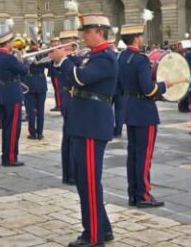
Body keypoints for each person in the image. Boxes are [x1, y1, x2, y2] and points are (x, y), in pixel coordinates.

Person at [66, 13, 117, 247]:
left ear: (99, 32)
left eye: (87, 32)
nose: (84, 36)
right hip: (84, 121)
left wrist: (63, 61)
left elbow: (80, 78)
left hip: (91, 124)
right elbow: (72, 80)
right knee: (84, 180)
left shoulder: (105, 58)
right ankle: (103, 228)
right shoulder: (93, 56)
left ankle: (93, 234)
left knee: (88, 181)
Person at [118, 23, 183, 209]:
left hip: (130, 109)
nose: (143, 38)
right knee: (144, 156)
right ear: (136, 38)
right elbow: (149, 89)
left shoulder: (122, 57)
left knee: (133, 155)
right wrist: (165, 84)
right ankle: (143, 195)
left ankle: (133, 193)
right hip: (144, 111)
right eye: (141, 36)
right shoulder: (141, 60)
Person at [0, 31, 28, 167]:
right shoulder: (9, 58)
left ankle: (5, 155)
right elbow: (24, 70)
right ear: (8, 43)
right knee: (14, 127)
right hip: (13, 94)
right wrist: (24, 61)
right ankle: (11, 158)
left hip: (2, 93)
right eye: (12, 42)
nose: (13, 44)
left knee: (7, 127)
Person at [53, 32, 78, 185]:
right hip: (70, 101)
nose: (75, 43)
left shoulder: (69, 59)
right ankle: (70, 174)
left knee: (69, 138)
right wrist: (61, 57)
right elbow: (73, 72)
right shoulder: (64, 61)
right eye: (72, 41)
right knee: (71, 139)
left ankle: (69, 174)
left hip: (69, 100)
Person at [24, 46, 48, 140]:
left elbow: (22, 68)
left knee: (31, 111)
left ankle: (33, 133)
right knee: (40, 110)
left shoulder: (26, 56)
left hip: (30, 84)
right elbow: (50, 66)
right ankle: (40, 133)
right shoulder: (42, 54)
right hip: (41, 84)